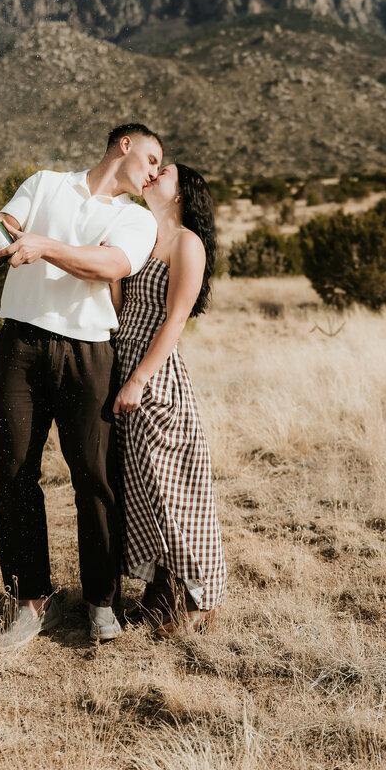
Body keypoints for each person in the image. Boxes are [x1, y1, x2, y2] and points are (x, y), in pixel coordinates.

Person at [0, 124, 162, 649]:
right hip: (20, 345)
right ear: (125, 145)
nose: (155, 173)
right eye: (153, 159)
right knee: (13, 471)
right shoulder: (44, 183)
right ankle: (30, 603)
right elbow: (2, 245)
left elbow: (111, 265)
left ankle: (101, 603)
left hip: (89, 352)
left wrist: (44, 246)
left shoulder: (135, 217)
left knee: (95, 476)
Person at [112, 162, 226, 635]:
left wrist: (139, 379)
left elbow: (176, 320)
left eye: (166, 173)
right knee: (139, 492)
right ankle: (162, 592)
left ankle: (200, 601)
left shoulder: (187, 244)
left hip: (155, 379)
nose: (154, 175)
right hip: (122, 366)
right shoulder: (142, 238)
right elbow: (122, 311)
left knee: (174, 494)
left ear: (184, 193)